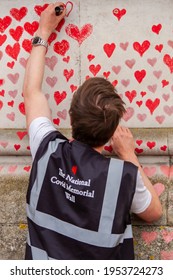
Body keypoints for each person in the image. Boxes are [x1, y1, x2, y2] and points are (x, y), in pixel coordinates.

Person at [23, 2, 162, 260]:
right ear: (112, 133)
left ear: (71, 115)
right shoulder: (123, 176)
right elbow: (154, 213)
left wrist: (43, 31)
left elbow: (31, 93)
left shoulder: (46, 149)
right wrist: (128, 153)